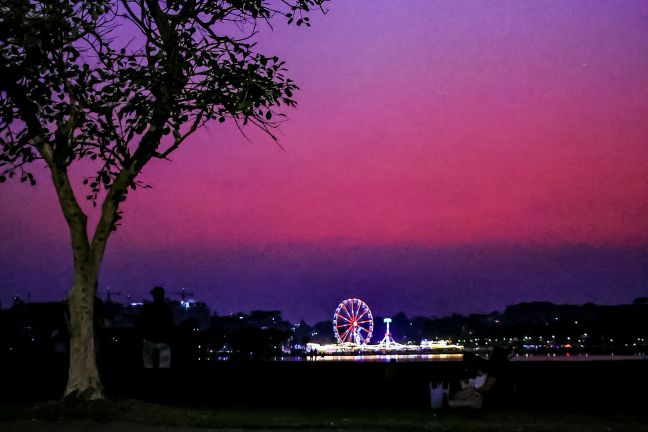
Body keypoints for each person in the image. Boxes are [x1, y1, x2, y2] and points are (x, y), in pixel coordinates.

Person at [138, 286, 174, 368]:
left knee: (148, 365)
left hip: (150, 339)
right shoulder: (166, 308)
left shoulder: (148, 308)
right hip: (163, 340)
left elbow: (141, 323)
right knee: (164, 366)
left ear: (153, 296)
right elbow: (170, 324)